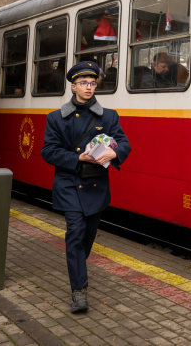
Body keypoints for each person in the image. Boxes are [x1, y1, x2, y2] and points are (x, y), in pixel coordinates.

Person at [41, 61, 131, 313]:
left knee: (87, 238)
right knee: (75, 235)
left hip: (96, 187)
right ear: (73, 86)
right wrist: (77, 158)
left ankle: (77, 265)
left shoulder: (109, 116)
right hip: (70, 185)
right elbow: (48, 151)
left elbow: (123, 143)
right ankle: (78, 290)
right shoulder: (56, 118)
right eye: (83, 83)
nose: (89, 87)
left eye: (92, 83)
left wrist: (115, 154)